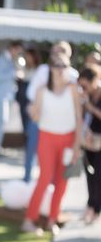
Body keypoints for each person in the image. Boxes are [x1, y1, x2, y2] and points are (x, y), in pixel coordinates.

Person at [22, 53, 82, 236]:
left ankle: (52, 220)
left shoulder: (73, 89)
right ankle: (29, 220)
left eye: (64, 65)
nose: (60, 69)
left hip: (68, 139)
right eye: (56, 65)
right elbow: (36, 116)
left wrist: (77, 146)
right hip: (47, 138)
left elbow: (79, 119)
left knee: (62, 182)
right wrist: (31, 111)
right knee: (45, 178)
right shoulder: (41, 90)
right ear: (50, 68)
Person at [23, 41, 79, 182]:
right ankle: (27, 178)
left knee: (62, 166)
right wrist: (38, 106)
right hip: (43, 122)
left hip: (64, 128)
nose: (56, 55)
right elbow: (31, 92)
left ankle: (54, 184)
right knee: (32, 149)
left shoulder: (73, 76)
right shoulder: (43, 70)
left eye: (59, 51)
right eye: (54, 52)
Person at [0, 41, 24, 156]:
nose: (18, 53)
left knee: (3, 121)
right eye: (17, 50)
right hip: (0, 94)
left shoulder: (11, 60)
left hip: (7, 95)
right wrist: (14, 73)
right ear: (12, 48)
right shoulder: (1, 59)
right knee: (2, 120)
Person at [78, 66, 101, 224]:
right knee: (89, 175)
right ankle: (90, 205)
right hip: (89, 140)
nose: (83, 88)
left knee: (99, 176)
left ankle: (95, 209)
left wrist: (90, 107)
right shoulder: (87, 96)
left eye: (85, 84)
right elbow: (82, 117)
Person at [16, 47, 41, 136]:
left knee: (30, 121)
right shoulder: (23, 67)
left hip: (32, 100)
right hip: (23, 99)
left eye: (28, 56)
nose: (27, 58)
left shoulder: (38, 69)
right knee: (24, 121)